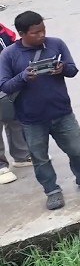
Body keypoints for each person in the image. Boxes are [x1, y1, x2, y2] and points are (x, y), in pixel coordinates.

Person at [0, 11, 80, 210]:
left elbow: (73, 70)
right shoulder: (8, 55)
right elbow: (5, 86)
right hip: (31, 119)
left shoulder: (56, 44)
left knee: (77, 150)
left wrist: (63, 69)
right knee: (40, 159)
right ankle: (52, 191)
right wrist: (24, 77)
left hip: (62, 112)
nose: (41, 35)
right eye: (36, 32)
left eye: (43, 30)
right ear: (22, 33)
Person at [0, 22, 32, 186]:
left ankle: (21, 155)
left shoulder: (3, 31)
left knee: (14, 118)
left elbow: (14, 48)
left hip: (7, 82)